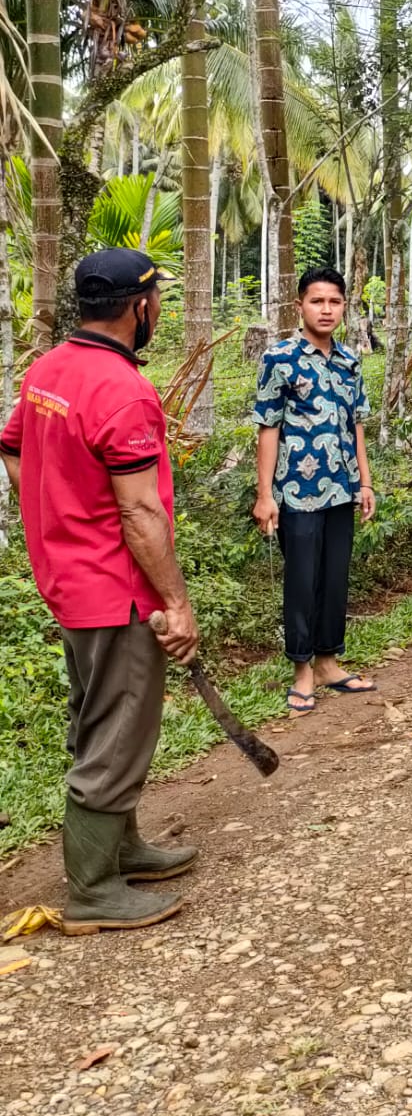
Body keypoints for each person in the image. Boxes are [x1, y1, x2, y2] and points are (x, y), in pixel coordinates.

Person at [0, 250, 199, 935]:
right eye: (157, 301)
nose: (160, 311)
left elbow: (14, 447)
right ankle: (91, 887)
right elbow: (141, 514)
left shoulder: (47, 370)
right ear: (138, 307)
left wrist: (58, 516)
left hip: (67, 579)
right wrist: (176, 602)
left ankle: (123, 847)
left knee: (99, 713)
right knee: (118, 727)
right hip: (115, 590)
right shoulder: (123, 389)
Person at [253, 267, 378, 715]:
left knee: (335, 578)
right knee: (302, 582)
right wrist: (265, 494)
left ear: (344, 307)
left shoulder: (349, 361)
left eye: (334, 302)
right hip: (297, 492)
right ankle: (302, 670)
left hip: (342, 490)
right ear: (299, 306)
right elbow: (268, 427)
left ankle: (328, 661)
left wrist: (365, 482)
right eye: (317, 301)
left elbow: (356, 425)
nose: (326, 310)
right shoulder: (279, 358)